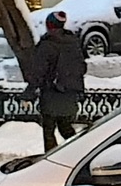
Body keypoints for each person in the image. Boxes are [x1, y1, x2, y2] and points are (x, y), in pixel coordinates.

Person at [25, 11, 86, 149]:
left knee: (49, 131)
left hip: (52, 94)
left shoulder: (47, 45)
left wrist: (29, 93)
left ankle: (52, 159)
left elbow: (38, 72)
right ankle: (78, 151)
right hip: (70, 94)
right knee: (65, 127)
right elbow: (81, 67)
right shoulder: (73, 43)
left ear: (49, 25)